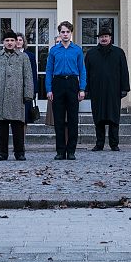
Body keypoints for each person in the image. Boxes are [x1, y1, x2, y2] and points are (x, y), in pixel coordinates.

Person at [0, 29, 35, 161]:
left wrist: (28, 94)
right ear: (3, 42)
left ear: (16, 42)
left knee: (18, 127)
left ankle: (19, 152)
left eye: (12, 40)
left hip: (17, 97)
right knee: (1, 128)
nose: (9, 43)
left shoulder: (23, 57)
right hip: (0, 97)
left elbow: (28, 77)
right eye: (7, 40)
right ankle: (2, 152)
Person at [46, 21, 87, 160]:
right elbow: (49, 71)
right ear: (59, 33)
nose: (65, 34)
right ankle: (60, 151)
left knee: (72, 119)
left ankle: (71, 151)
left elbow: (82, 70)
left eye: (67, 32)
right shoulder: (54, 50)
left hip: (72, 83)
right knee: (58, 120)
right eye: (62, 32)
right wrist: (49, 89)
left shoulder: (77, 50)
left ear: (71, 33)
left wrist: (82, 88)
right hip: (58, 83)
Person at [84, 27, 130, 151]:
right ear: (98, 38)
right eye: (101, 37)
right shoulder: (91, 53)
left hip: (113, 91)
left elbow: (124, 71)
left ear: (110, 38)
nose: (104, 39)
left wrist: (124, 88)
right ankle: (99, 144)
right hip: (96, 91)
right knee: (98, 118)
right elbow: (86, 72)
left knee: (114, 118)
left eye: (106, 36)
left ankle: (114, 144)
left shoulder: (119, 52)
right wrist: (85, 88)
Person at [16, 33, 40, 125]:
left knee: (25, 118)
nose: (18, 42)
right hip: (14, 91)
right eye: (16, 40)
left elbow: (34, 73)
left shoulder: (30, 56)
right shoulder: (9, 55)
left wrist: (34, 90)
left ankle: (23, 139)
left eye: (20, 40)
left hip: (26, 90)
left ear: (23, 42)